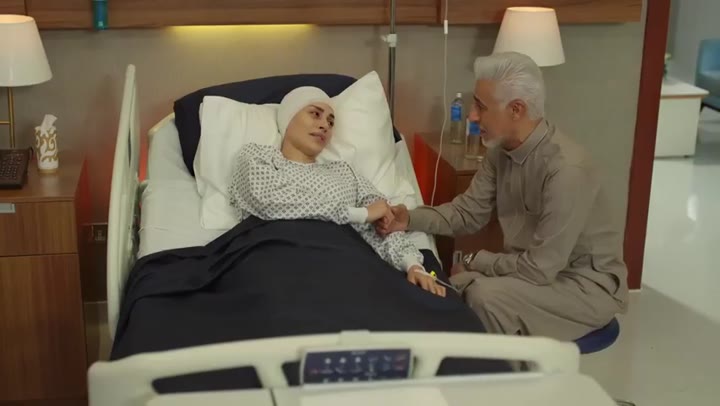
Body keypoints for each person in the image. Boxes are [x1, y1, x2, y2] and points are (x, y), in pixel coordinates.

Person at [377, 52, 629, 340]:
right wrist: (408, 218)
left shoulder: (567, 171)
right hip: (536, 273)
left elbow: (540, 269)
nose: (472, 116)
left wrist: (476, 259)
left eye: (481, 107)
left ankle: (503, 368)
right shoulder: (500, 152)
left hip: (584, 286)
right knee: (446, 289)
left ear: (516, 109)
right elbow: (466, 213)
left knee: (484, 297)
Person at [227, 86, 446, 297]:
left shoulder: (345, 173)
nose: (325, 125)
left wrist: (413, 265)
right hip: (274, 258)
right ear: (289, 118)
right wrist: (358, 214)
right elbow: (267, 199)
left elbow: (382, 223)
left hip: (342, 262)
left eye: (330, 122)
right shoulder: (258, 157)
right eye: (315, 114)